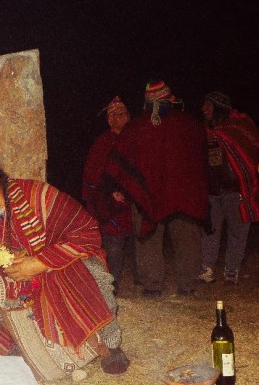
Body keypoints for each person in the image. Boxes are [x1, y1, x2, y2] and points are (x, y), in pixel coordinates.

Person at [0, 136, 129, 376]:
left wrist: (40, 262)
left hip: (61, 270)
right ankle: (23, 344)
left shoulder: (37, 196)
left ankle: (110, 345)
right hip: (21, 287)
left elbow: (86, 232)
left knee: (89, 270)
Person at [105, 80, 208, 297]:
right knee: (186, 238)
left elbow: (118, 162)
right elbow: (201, 158)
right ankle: (187, 284)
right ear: (169, 99)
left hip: (148, 196)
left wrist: (123, 186)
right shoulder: (189, 124)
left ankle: (152, 285)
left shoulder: (137, 127)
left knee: (149, 238)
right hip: (182, 195)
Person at [197, 91, 259, 285]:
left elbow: (249, 156)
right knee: (210, 231)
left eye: (207, 105)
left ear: (217, 107)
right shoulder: (205, 132)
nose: (203, 109)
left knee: (238, 233)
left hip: (236, 191)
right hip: (213, 192)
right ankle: (207, 269)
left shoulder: (238, 127)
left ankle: (232, 270)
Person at [81, 97, 134, 293]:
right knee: (113, 244)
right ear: (111, 120)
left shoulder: (135, 138)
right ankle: (111, 286)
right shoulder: (103, 143)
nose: (125, 119)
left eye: (126, 114)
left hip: (133, 200)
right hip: (110, 201)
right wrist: (110, 192)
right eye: (119, 115)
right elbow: (95, 175)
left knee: (139, 240)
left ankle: (145, 281)